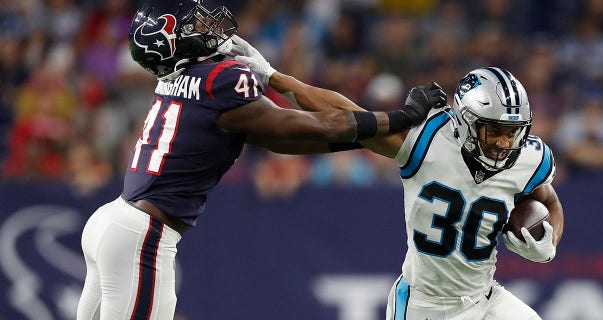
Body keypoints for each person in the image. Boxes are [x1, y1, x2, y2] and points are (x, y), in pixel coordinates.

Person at [75, 1, 446, 319]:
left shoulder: (180, 80)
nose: (207, 24)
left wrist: (367, 136)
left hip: (115, 221)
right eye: (193, 23)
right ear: (173, 41)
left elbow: (288, 140)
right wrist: (402, 117)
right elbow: (310, 127)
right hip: (143, 235)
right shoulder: (220, 79)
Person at [232, 37, 564, 319]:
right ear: (465, 121)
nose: (504, 143)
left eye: (512, 133)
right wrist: (275, 77)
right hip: (425, 306)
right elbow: (345, 115)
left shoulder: (528, 157)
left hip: (485, 299)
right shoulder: (427, 141)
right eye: (494, 131)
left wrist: (548, 243)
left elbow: (548, 198)